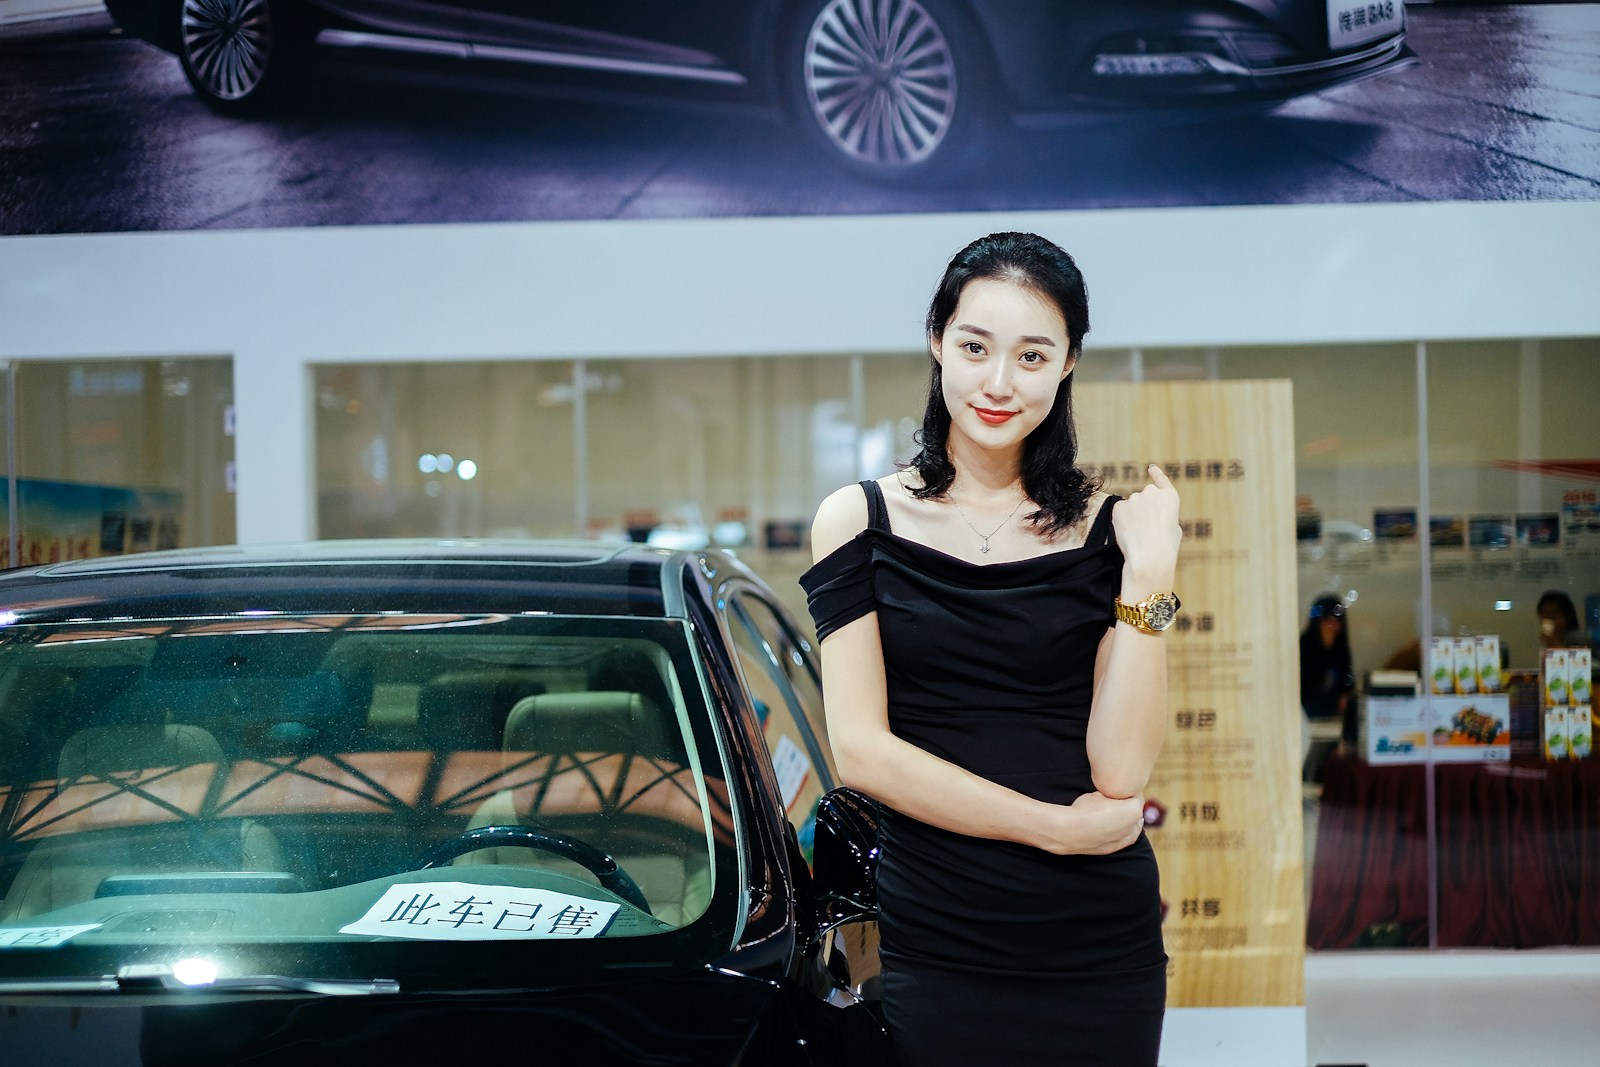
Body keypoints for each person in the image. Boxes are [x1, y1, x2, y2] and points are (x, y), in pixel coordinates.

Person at [800, 232, 1180, 1066]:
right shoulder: (858, 521)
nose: (999, 382)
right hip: (943, 936)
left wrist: (1150, 580)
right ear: (937, 341)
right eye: (976, 347)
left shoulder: (1109, 531)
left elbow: (1120, 771)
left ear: (1068, 363)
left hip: (1096, 941)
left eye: (1032, 355)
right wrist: (1052, 829)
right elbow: (861, 750)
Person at [1299, 594, 1355, 733]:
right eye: (1328, 620)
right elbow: (1306, 687)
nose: (1333, 626)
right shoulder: (1304, 645)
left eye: (1337, 621)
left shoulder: (1340, 648)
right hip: (1308, 710)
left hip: (1334, 717)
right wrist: (1325, 650)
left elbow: (1347, 683)